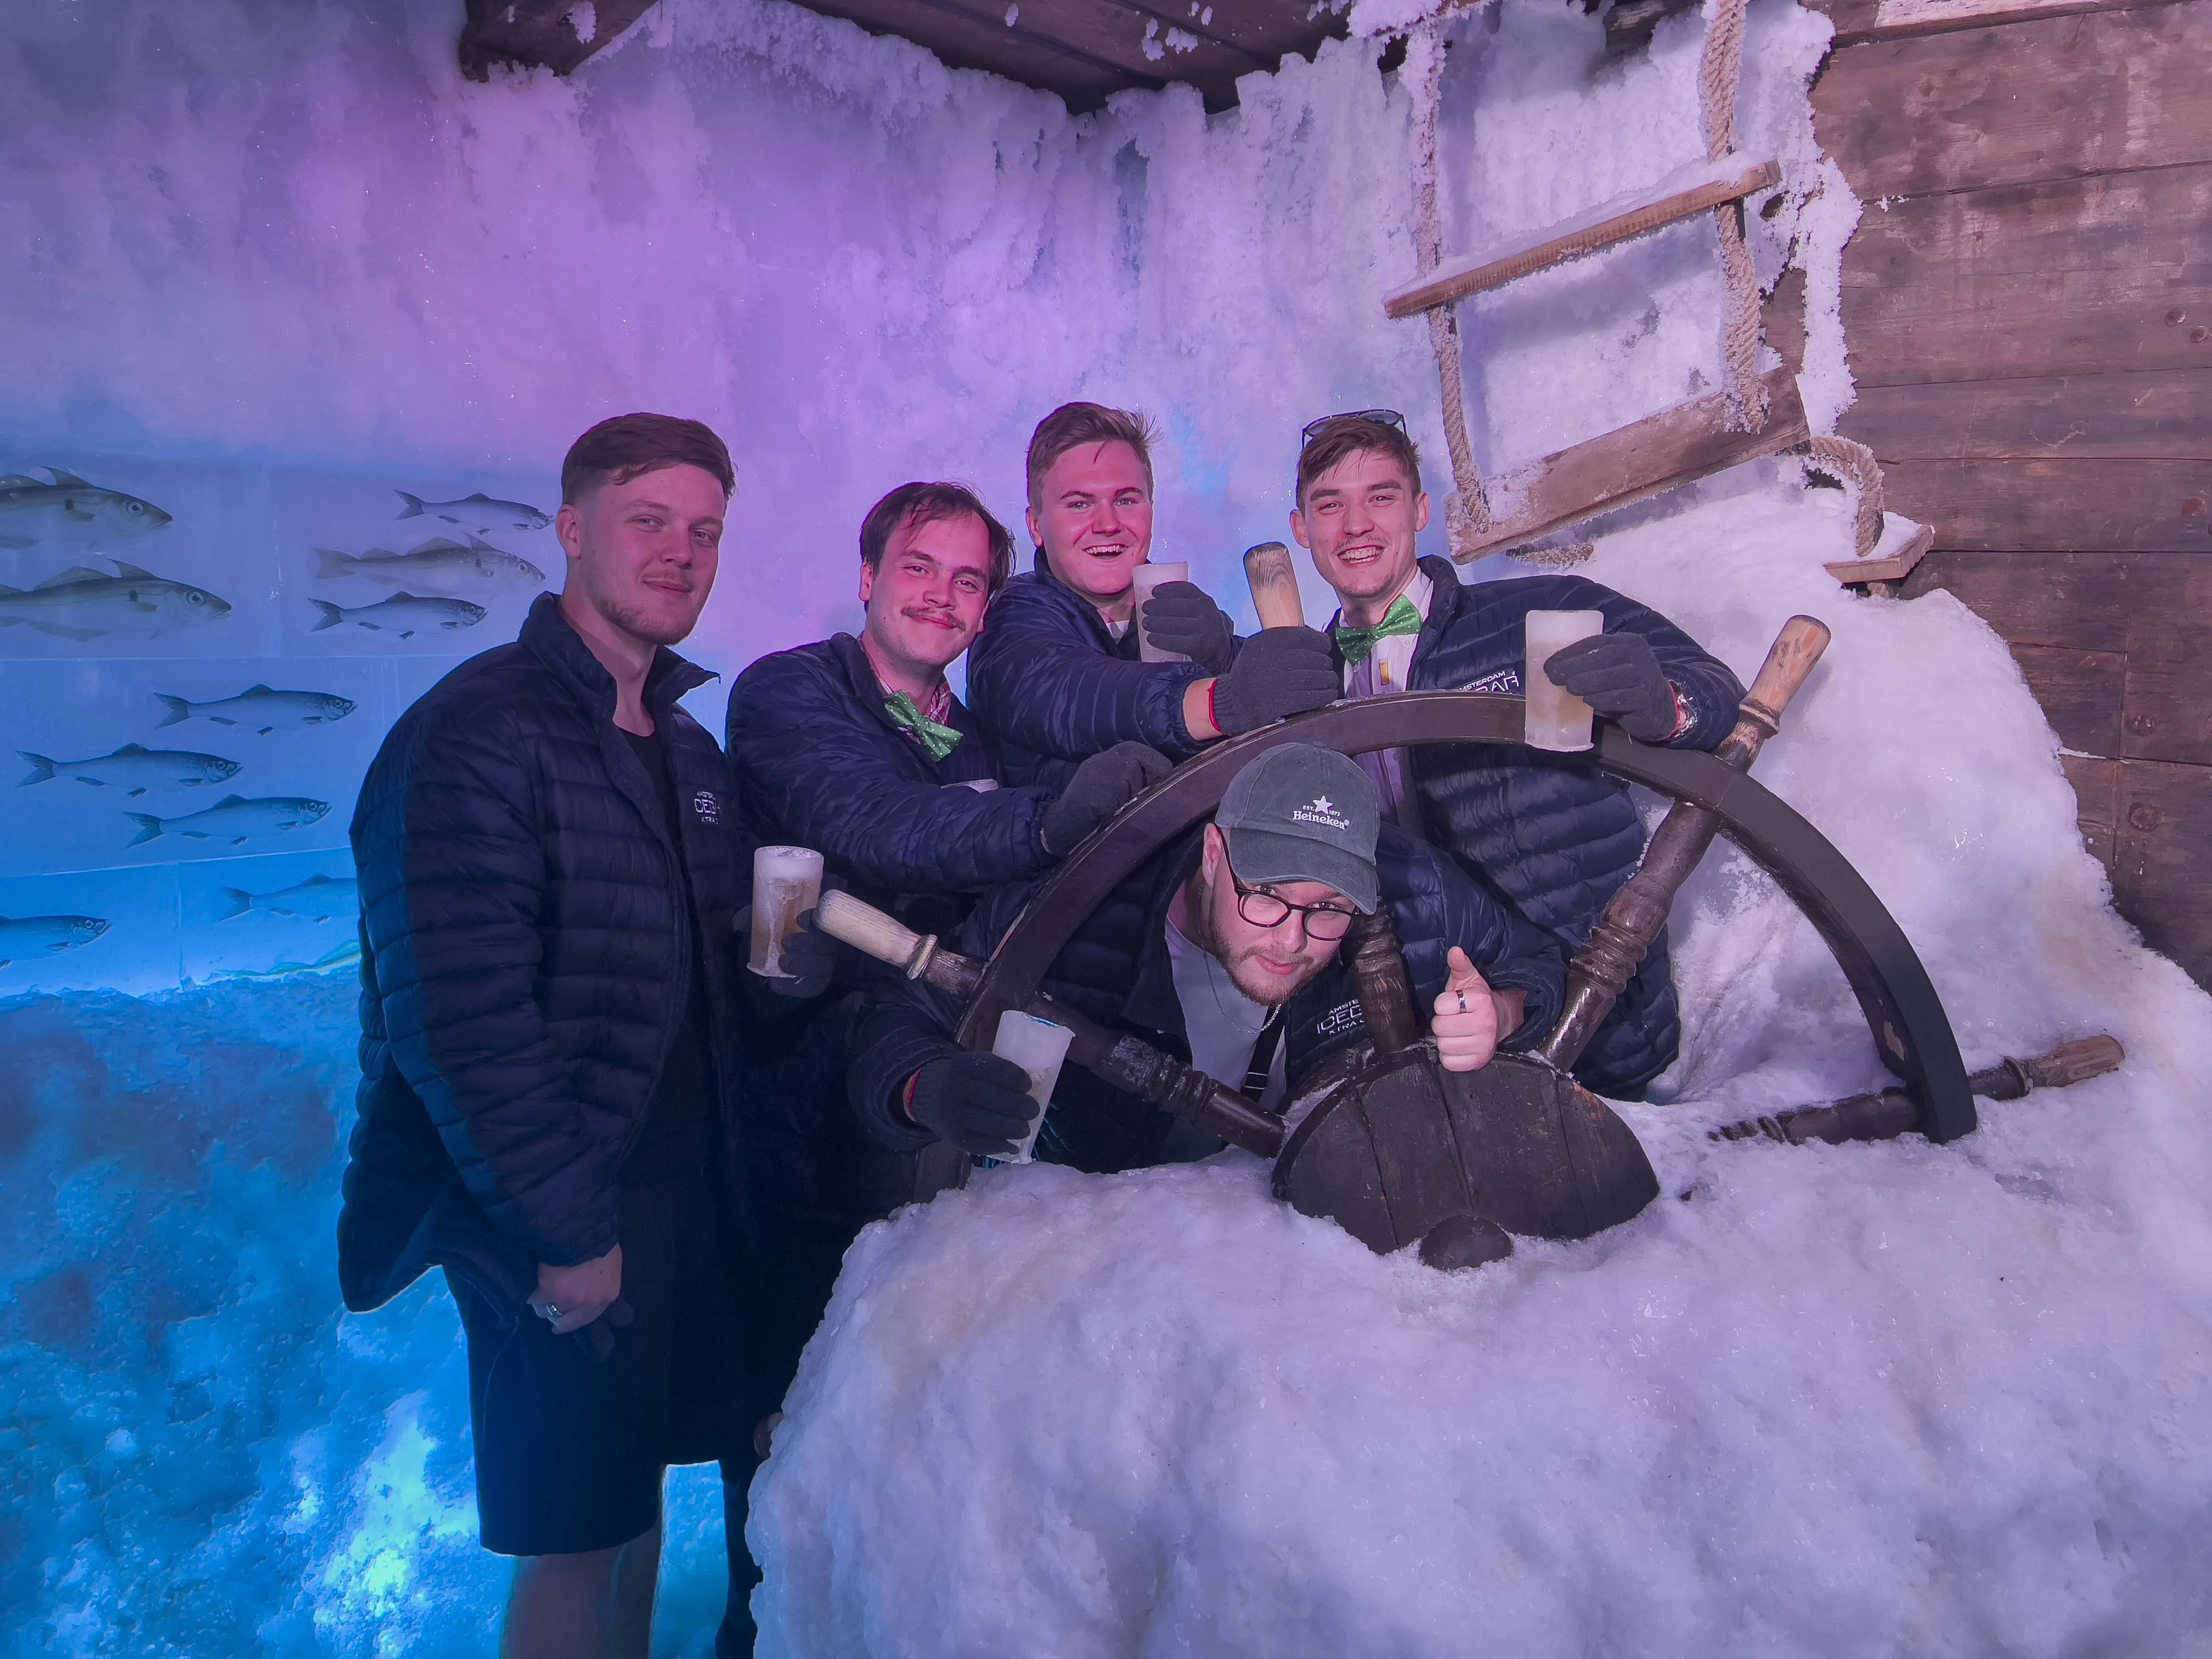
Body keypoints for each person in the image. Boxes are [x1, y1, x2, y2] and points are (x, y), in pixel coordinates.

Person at [337, 414, 825, 1659]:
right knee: (573, 1536)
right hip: (551, 1209)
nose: (680, 553)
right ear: (571, 529)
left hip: (683, 1194)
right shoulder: (474, 732)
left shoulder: (686, 746)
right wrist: (567, 1230)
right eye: (647, 521)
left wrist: (797, 894)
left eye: (704, 530)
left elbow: (750, 961)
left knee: (635, 1491)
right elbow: (456, 1018)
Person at [723, 480, 1170, 1445]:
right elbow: (878, 824)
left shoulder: (979, 737)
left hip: (926, 1112)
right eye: (918, 567)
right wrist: (1047, 818)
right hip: (799, 1144)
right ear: (868, 573)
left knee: (903, 1437)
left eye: (968, 580)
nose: (940, 594)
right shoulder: (786, 691)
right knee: (788, 1448)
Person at [1286, 410, 1748, 1098]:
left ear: (1420, 511)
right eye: (1331, 505)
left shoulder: (1542, 616)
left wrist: (1665, 704)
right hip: (1405, 1036)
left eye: (1380, 497)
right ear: (1302, 531)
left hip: (1591, 1023)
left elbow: (1719, 696)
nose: (1356, 526)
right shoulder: (1298, 679)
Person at [848, 743, 1568, 1172]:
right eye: (1268, 897)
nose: (1291, 939)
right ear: (1216, 853)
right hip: (1124, 1259)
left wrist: (1503, 1013)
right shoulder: (1077, 916)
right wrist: (924, 1088)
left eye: (1329, 909)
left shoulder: (1415, 890)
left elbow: (1538, 968)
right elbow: (891, 1022)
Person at [964, 401, 1341, 789]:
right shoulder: (1008, 625)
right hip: (1089, 849)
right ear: (1036, 526)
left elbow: (1271, 696)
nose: (1108, 524)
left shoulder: (1176, 606)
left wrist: (1224, 654)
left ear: (1151, 510)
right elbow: (1081, 698)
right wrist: (1220, 701)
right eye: (1079, 504)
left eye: (1126, 500)